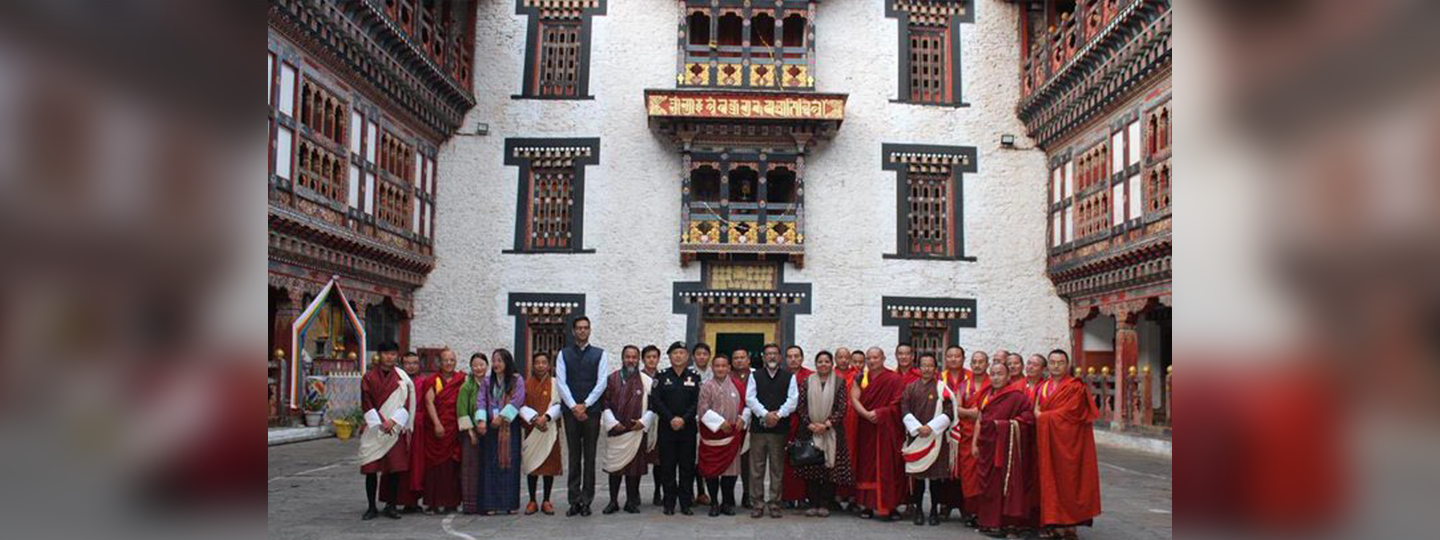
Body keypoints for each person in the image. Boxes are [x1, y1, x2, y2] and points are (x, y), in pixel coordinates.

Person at [1034, 349, 1101, 539]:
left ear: (1068, 365)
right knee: (1049, 480)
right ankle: (1054, 523)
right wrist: (1039, 415)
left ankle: (1070, 526)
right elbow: (1036, 407)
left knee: (1069, 482)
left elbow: (1071, 412)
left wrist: (1042, 417)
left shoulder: (1075, 387)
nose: (1056, 366)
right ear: (1047, 366)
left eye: (1060, 362)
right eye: (1053, 362)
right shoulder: (1043, 387)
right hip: (1048, 442)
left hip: (1070, 443)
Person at [973, 362, 1039, 538]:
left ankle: (1010, 524)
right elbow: (980, 419)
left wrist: (1005, 425)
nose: (995, 377)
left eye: (1000, 374)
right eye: (993, 374)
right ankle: (990, 522)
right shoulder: (985, 395)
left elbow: (1027, 418)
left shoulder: (1017, 397)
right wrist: (975, 443)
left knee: (1008, 485)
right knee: (989, 486)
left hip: (1008, 449)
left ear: (1008, 376)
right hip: (987, 447)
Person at [555, 316, 609, 517]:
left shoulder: (600, 354)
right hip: (571, 413)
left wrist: (585, 405)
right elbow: (561, 383)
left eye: (586, 328)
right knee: (574, 456)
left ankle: (587, 501)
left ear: (590, 330)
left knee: (590, 457)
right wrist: (573, 406)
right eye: (579, 328)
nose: (582, 331)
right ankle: (574, 500)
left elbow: (601, 382)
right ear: (573, 331)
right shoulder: (563, 354)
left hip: (591, 412)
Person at [358, 342, 416, 520]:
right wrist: (381, 422)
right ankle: (371, 507)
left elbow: (406, 403)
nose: (389, 357)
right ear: (380, 355)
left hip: (394, 429)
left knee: (394, 469)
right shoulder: (369, 377)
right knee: (371, 467)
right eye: (386, 354)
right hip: (375, 428)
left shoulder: (402, 377)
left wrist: (394, 421)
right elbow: (366, 401)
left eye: (393, 354)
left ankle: (391, 506)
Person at [793, 350, 853, 518]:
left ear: (831, 364)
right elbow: (801, 406)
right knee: (811, 468)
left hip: (832, 432)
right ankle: (812, 503)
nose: (823, 364)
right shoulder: (807, 382)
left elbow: (842, 408)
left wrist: (827, 424)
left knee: (830, 469)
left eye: (827, 361)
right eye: (820, 361)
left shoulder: (839, 382)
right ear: (816, 364)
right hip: (809, 431)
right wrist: (811, 424)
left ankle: (825, 503)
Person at [850, 347, 907, 521]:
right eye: (869, 358)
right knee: (867, 467)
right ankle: (867, 505)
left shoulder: (894, 379)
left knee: (889, 466)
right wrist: (866, 414)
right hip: (867, 428)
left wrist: (881, 413)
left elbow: (898, 403)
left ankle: (890, 506)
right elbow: (854, 399)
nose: (872, 361)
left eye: (876, 357)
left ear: (883, 358)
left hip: (887, 429)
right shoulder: (861, 377)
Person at [902, 353, 956, 526]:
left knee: (935, 479)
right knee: (918, 478)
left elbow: (949, 412)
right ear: (919, 367)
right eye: (923, 365)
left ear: (935, 368)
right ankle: (918, 510)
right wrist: (918, 428)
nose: (926, 369)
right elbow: (904, 409)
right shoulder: (910, 388)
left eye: (930, 365)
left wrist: (931, 427)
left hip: (936, 438)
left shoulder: (943, 389)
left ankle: (934, 511)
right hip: (916, 437)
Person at [600, 345, 655, 514]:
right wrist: (612, 422)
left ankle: (631, 501)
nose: (631, 360)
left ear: (638, 359)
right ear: (622, 358)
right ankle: (613, 501)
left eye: (634, 357)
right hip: (616, 429)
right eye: (628, 357)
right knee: (615, 467)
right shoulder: (612, 378)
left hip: (636, 430)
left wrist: (643, 422)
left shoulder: (647, 381)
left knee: (634, 469)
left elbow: (654, 405)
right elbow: (605, 403)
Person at [745, 343, 798, 518]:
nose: (772, 357)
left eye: (775, 354)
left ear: (780, 357)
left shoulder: (788, 377)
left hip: (779, 429)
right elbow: (750, 398)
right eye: (768, 354)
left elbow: (793, 400)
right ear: (763, 357)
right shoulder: (755, 376)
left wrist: (778, 415)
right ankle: (757, 504)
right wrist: (765, 414)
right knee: (757, 469)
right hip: (759, 429)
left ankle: (775, 503)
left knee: (777, 468)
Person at [652, 341, 702, 515]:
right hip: (667, 428)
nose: (678, 356)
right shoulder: (661, 376)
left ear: (687, 356)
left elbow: (698, 402)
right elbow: (656, 401)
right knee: (668, 466)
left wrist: (684, 419)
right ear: (669, 356)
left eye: (681, 353)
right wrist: (671, 418)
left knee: (687, 467)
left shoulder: (694, 377)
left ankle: (686, 503)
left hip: (687, 429)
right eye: (675, 353)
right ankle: (669, 503)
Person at [475, 348, 526, 514]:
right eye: (494, 360)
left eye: (500, 361)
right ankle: (491, 504)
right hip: (490, 429)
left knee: (509, 463)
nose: (496, 364)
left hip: (509, 428)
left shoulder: (516, 380)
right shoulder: (487, 381)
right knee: (490, 465)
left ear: (507, 362)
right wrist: (481, 420)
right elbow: (481, 400)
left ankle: (510, 504)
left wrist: (502, 417)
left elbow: (518, 400)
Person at [697, 355, 747, 516]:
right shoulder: (706, 386)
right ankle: (714, 503)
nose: (720, 369)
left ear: (729, 368)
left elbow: (746, 405)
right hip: (713, 437)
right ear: (712, 368)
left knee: (730, 472)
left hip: (731, 436)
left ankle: (727, 502)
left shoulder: (738, 385)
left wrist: (742, 418)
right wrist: (719, 423)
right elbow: (702, 410)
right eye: (717, 366)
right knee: (712, 472)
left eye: (723, 366)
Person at [380, 352, 425, 513]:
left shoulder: (423, 382)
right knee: (393, 463)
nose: (411, 366)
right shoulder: (395, 381)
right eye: (408, 363)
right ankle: (390, 501)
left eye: (415, 363)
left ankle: (411, 502)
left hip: (417, 427)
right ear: (402, 364)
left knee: (414, 465)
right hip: (396, 426)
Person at [421, 349, 465, 514]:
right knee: (434, 467)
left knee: (452, 467)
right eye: (446, 360)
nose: (449, 363)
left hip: (454, 428)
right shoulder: (433, 380)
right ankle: (432, 502)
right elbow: (429, 402)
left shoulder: (461, 380)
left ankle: (450, 502)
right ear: (440, 362)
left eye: (452, 360)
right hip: (437, 428)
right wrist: (437, 423)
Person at [521, 352, 564, 515]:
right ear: (533, 365)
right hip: (532, 429)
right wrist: (534, 419)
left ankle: (546, 500)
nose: (540, 365)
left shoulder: (555, 384)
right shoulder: (526, 384)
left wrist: (546, 418)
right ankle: (532, 500)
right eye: (537, 362)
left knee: (548, 465)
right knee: (532, 464)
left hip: (549, 428)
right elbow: (521, 404)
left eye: (543, 362)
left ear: (549, 365)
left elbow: (560, 404)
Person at [957, 350, 993, 526]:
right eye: (974, 362)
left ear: (987, 364)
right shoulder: (963, 386)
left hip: (987, 436)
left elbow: (994, 410)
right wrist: (976, 413)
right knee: (969, 475)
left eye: (981, 362)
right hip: (967, 436)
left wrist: (971, 413)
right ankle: (971, 512)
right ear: (970, 365)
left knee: (986, 475)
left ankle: (986, 512)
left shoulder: (993, 384)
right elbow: (956, 409)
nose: (978, 365)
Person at [780, 345, 814, 507]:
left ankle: (802, 497)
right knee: (786, 461)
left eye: (796, 356)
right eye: (790, 356)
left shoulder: (810, 376)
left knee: (804, 458)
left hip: (805, 424)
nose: (793, 359)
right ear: (785, 359)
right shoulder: (781, 376)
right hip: (785, 423)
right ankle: (786, 496)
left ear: (802, 358)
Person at [457, 353, 487, 514]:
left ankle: (485, 501)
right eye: (475, 365)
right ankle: (470, 504)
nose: (478, 368)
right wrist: (471, 432)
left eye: (481, 365)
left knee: (485, 467)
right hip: (471, 432)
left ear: (487, 366)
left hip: (487, 430)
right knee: (470, 467)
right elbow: (462, 411)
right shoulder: (466, 386)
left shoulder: (490, 384)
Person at [730, 347, 755, 509]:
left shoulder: (756, 376)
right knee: (730, 461)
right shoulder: (726, 375)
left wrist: (744, 417)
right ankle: (728, 496)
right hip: (730, 425)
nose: (739, 360)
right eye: (736, 358)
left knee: (748, 463)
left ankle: (748, 494)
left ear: (748, 360)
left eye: (742, 357)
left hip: (750, 425)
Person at [639, 344, 663, 507]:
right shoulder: (638, 378)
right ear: (643, 359)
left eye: (654, 357)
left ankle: (657, 492)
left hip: (659, 422)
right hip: (641, 422)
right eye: (648, 357)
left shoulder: (662, 377)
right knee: (639, 460)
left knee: (659, 461)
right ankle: (635, 493)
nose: (652, 360)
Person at [690, 342, 714, 506]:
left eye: (705, 354)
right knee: (690, 458)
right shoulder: (687, 373)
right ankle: (689, 492)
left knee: (703, 458)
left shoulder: (715, 373)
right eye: (698, 354)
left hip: (710, 422)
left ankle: (702, 491)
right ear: (693, 356)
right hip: (691, 420)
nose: (701, 357)